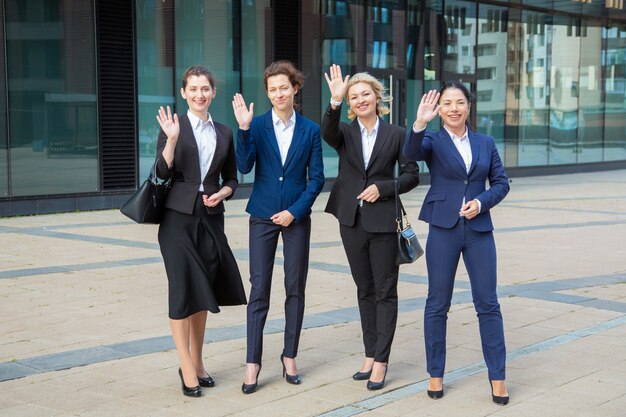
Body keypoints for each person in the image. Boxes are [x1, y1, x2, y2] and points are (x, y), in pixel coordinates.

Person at [403, 83, 510, 405]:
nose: (453, 108)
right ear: (441, 109)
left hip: (478, 230)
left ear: (468, 106)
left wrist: (481, 202)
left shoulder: (485, 142)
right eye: (447, 103)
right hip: (443, 228)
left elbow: (502, 182)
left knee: (488, 303)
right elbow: (410, 155)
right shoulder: (432, 140)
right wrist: (419, 123)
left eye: (459, 102)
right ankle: (435, 373)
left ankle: (498, 377)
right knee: (437, 303)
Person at [322, 64, 419, 390]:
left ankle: (381, 360)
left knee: (384, 291)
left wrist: (385, 187)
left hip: (382, 223)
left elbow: (411, 174)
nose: (360, 100)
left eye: (366, 94)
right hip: (351, 221)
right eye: (354, 97)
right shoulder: (345, 133)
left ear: (378, 97)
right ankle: (369, 353)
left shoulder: (396, 134)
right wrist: (334, 102)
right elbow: (327, 133)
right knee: (364, 290)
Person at [232, 60, 325, 394]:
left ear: (295, 88)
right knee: (259, 290)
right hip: (262, 215)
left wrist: (295, 211)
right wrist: (243, 130)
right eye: (272, 89)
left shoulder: (311, 130)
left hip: (295, 217)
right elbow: (244, 166)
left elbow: (316, 180)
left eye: (284, 87)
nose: (278, 94)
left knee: (295, 288)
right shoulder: (256, 126)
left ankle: (289, 355)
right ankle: (253, 362)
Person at [155, 65, 247, 397]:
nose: (199, 94)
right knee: (183, 290)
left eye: (205, 88)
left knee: (202, 292)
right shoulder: (173, 127)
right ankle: (186, 368)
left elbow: (233, 178)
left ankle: (197, 361)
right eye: (192, 89)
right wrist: (172, 140)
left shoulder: (224, 132)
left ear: (213, 93)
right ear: (184, 92)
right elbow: (161, 171)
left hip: (210, 218)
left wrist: (225, 192)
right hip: (176, 219)